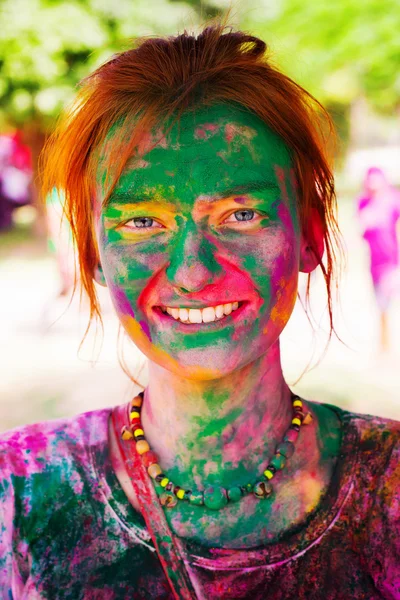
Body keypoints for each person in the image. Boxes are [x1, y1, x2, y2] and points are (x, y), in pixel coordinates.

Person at [0, 25, 399, 600]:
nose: (193, 271)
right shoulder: (20, 498)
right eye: (142, 222)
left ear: (308, 235)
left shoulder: (390, 491)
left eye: (240, 214)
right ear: (96, 256)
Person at [357, 167, 400, 352]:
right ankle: (384, 347)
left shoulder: (393, 200)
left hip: (393, 263)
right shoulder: (363, 203)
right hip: (375, 264)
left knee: (389, 303)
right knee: (381, 307)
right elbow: (360, 231)